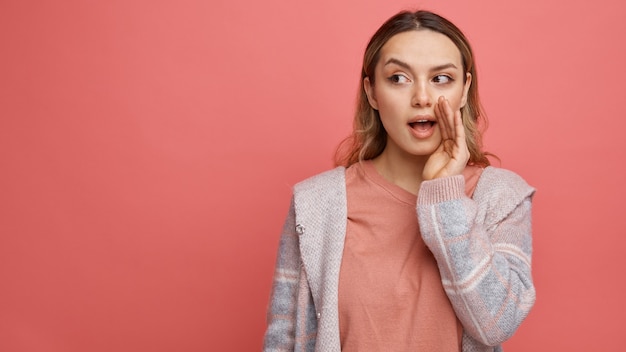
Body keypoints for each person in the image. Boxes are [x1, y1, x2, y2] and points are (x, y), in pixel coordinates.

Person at [263, 9, 535, 352]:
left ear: (464, 90)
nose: (422, 97)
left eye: (441, 79)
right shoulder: (315, 203)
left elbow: (496, 323)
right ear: (372, 92)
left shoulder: (500, 196)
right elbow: (283, 340)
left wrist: (446, 197)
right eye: (398, 78)